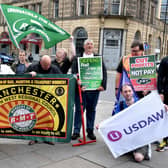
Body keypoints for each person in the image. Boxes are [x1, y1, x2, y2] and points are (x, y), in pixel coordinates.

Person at [71, 39, 107, 140]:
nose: (89, 46)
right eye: (87, 44)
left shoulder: (98, 58)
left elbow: (103, 72)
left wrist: (102, 85)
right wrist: (77, 80)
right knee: (79, 110)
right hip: (81, 89)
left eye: (91, 44)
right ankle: (76, 131)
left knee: (91, 110)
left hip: (94, 89)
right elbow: (74, 72)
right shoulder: (78, 58)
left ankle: (90, 131)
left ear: (93, 46)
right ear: (84, 46)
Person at [26, 55, 62, 145]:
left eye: (48, 65)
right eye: (45, 65)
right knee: (34, 117)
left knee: (48, 118)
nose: (47, 67)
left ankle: (48, 138)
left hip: (48, 99)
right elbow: (22, 76)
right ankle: (34, 138)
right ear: (40, 62)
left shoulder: (54, 68)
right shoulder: (33, 67)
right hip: (35, 98)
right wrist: (29, 74)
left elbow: (64, 79)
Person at [117, 84, 151, 162]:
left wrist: (163, 106)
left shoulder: (140, 102)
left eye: (129, 91)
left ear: (133, 92)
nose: (128, 93)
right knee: (117, 150)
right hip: (128, 136)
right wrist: (102, 126)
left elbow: (153, 109)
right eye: (125, 92)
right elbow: (114, 121)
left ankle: (146, 148)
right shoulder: (121, 105)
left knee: (138, 158)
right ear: (122, 93)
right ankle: (132, 149)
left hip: (141, 137)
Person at [156, 55, 168, 151]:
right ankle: (165, 140)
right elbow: (159, 78)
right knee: (166, 117)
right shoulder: (165, 60)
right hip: (167, 93)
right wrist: (160, 92)